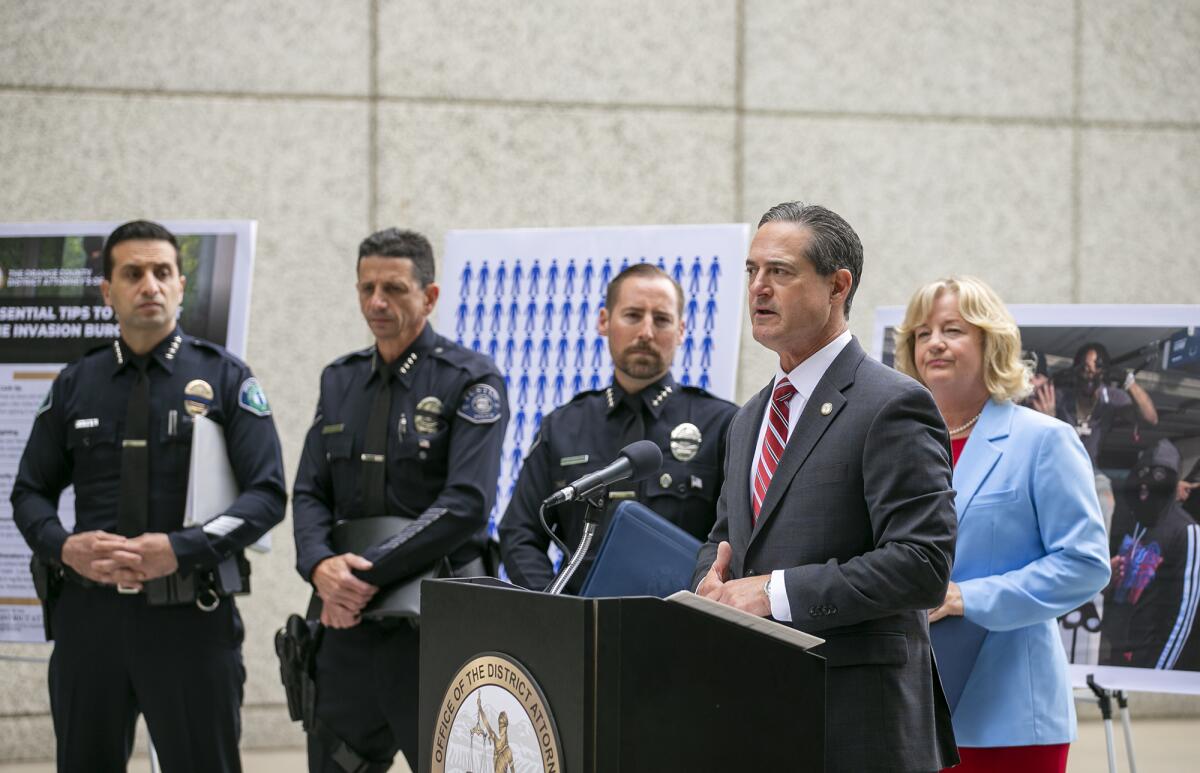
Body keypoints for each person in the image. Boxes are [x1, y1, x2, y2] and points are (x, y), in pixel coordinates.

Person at [11, 220, 287, 773]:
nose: (150, 286)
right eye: (133, 273)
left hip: (190, 619)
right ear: (106, 291)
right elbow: (29, 493)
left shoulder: (226, 379)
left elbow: (267, 496)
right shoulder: (75, 384)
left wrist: (180, 549)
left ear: (181, 286)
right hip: (90, 623)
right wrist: (65, 548)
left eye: (163, 273)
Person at [691, 202, 958, 772]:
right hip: (754, 717)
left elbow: (922, 564)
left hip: (858, 726)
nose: (758, 288)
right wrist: (707, 584)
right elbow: (722, 541)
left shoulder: (892, 404)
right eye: (751, 271)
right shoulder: (748, 419)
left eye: (780, 272)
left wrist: (773, 593)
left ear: (838, 285)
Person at [292, 228, 508, 772]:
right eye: (366, 288)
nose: (376, 303)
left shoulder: (471, 379)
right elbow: (309, 491)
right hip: (344, 625)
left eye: (393, 288)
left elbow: (466, 503)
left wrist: (363, 574)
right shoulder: (339, 380)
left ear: (429, 297)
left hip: (430, 627)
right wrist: (320, 567)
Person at [894, 275, 1111, 773]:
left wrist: (965, 598)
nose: (935, 343)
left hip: (1009, 715)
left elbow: (1085, 564)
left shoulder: (1043, 441)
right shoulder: (894, 446)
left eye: (952, 329)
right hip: (905, 705)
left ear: (991, 342)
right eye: (922, 333)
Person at [498, 263, 737, 592]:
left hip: (682, 625)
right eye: (633, 315)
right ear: (604, 321)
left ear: (681, 330)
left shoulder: (721, 423)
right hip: (580, 627)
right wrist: (554, 606)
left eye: (662, 319)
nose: (646, 332)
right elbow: (519, 532)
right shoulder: (564, 425)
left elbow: (736, 538)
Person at [1101, 439, 1200, 670]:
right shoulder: (1134, 521)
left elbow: (1183, 615)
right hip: (1119, 656)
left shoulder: (1186, 532)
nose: (1146, 484)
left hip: (1152, 664)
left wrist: (1157, 675)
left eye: (1158, 476)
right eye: (1143, 474)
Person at [1030, 341, 1158, 466]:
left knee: (1104, 487)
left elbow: (1150, 418)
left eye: (1097, 368)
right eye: (1085, 368)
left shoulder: (1111, 397)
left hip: (1089, 471)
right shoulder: (1061, 396)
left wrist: (1128, 382)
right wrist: (1048, 419)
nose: (1090, 375)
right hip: (1058, 466)